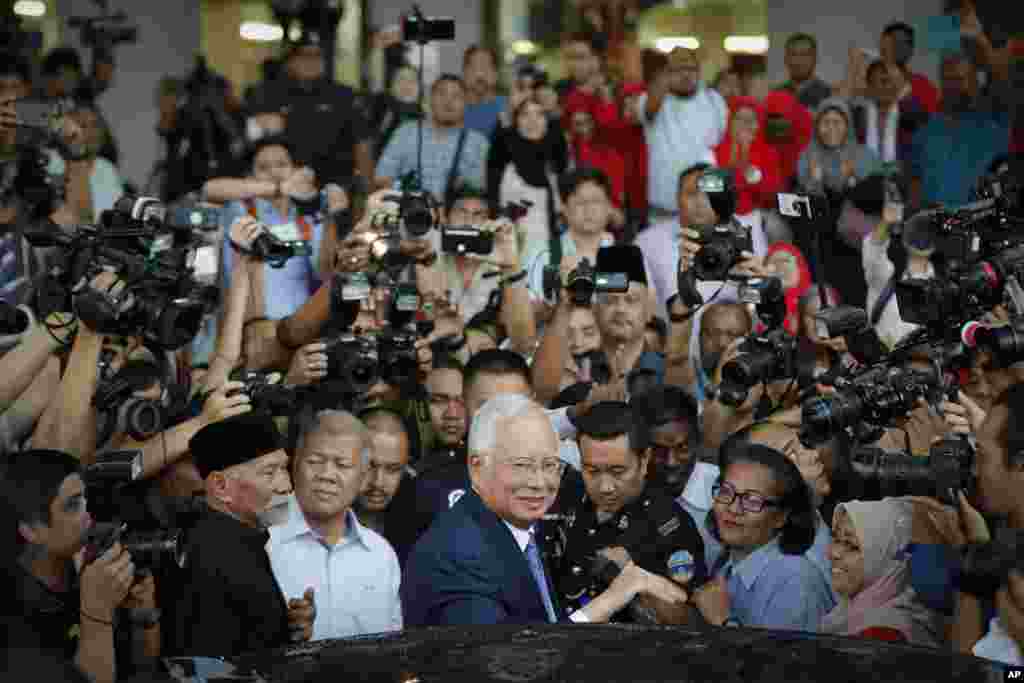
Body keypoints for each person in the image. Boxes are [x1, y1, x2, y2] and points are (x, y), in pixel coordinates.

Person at [401, 394, 688, 626]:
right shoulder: (460, 556)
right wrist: (610, 601)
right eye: (521, 466)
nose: (538, 483)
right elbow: (505, 662)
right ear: (477, 468)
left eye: (548, 465)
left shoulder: (517, 526)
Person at [1, 450, 151, 683]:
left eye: (85, 500)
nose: (88, 516)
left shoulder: (88, 570)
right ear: (31, 530)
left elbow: (140, 671)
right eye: (72, 506)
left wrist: (140, 613)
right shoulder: (12, 623)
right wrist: (96, 613)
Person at [555, 401, 706, 624]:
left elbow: (691, 621)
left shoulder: (669, 526)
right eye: (592, 471)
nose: (605, 486)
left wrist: (642, 590)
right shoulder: (565, 497)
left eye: (618, 471)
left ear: (644, 461)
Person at [168, 412, 305, 657]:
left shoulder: (242, 542)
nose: (286, 486)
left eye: (284, 469)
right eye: (269, 472)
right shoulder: (211, 556)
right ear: (221, 487)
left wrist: (289, 629)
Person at [268, 409, 402, 639]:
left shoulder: (381, 555)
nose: (327, 474)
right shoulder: (261, 535)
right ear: (295, 462)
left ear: (362, 477)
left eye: (342, 465)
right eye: (315, 461)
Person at [691, 443, 835, 629]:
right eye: (726, 492)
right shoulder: (726, 564)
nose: (733, 508)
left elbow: (787, 658)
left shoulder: (796, 582)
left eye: (752, 500)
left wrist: (723, 621)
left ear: (781, 516)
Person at [245, 31, 374, 185]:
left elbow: (362, 143)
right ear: (291, 61)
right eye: (304, 56)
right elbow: (254, 144)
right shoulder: (269, 95)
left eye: (317, 56)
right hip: (285, 185)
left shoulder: (344, 95)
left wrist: (367, 188)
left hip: (336, 185)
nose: (311, 62)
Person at [822, 498, 944, 646]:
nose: (833, 553)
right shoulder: (851, 611)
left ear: (884, 558)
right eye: (835, 538)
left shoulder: (883, 636)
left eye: (851, 545)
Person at [907, 52, 1010, 210]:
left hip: (979, 225)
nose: (952, 86)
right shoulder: (925, 131)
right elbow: (914, 183)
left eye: (959, 79)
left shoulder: (996, 129)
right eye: (947, 80)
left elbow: (1004, 187)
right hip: (931, 225)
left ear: (975, 82)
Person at [635, 47, 727, 221]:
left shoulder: (713, 99)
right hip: (664, 205)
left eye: (691, 68)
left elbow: (720, 141)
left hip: (706, 202)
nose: (686, 74)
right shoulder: (653, 99)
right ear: (666, 72)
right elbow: (648, 111)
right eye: (678, 69)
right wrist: (662, 82)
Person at [375, 74, 490, 203]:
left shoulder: (478, 142)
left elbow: (485, 188)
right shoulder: (406, 132)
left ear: (466, 102)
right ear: (430, 99)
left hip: (457, 218)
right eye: (442, 94)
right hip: (409, 213)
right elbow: (381, 177)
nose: (448, 102)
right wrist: (407, 191)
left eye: (456, 96)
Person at [522, 168, 615, 322]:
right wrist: (559, 294)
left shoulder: (625, 254)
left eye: (596, 201)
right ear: (564, 209)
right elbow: (524, 316)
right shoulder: (545, 254)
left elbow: (644, 310)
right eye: (580, 202)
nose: (589, 209)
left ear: (609, 208)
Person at [486, 95, 569, 251]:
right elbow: (493, 207)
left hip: (552, 250)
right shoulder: (502, 157)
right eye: (525, 114)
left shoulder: (555, 161)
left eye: (540, 114)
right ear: (516, 121)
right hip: (512, 248)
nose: (533, 120)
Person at [714, 96, 784, 231]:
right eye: (739, 119)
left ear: (758, 124)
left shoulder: (768, 153)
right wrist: (734, 162)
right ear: (730, 122)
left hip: (757, 216)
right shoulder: (717, 151)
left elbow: (772, 196)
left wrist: (749, 171)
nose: (744, 124)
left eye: (750, 120)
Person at [355, 407, 415, 549]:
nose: (378, 482)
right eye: (370, 466)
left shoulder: (419, 528)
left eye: (392, 469)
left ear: (406, 469)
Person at [879, 22, 940, 115]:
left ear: (911, 49)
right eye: (893, 42)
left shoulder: (923, 85)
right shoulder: (869, 80)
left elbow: (928, 120)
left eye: (903, 42)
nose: (897, 47)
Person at [773, 34, 833, 111]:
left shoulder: (827, 95)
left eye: (805, 55)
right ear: (786, 59)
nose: (799, 61)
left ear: (815, 59)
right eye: (793, 55)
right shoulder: (777, 95)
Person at [462, 46, 507, 139]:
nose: (480, 74)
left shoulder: (509, 108)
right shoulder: (451, 109)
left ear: (496, 74)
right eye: (474, 68)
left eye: (485, 67)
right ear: (464, 73)